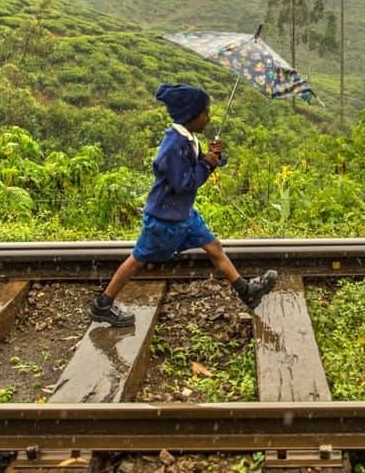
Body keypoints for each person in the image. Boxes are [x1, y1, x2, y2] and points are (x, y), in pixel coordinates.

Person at [90, 83, 278, 327]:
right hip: (164, 220)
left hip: (183, 214)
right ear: (191, 115)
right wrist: (206, 165)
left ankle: (246, 291)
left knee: (214, 248)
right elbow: (184, 183)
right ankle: (103, 304)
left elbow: (199, 167)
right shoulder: (172, 147)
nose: (208, 117)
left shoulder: (189, 139)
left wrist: (213, 158)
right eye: (205, 112)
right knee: (137, 258)